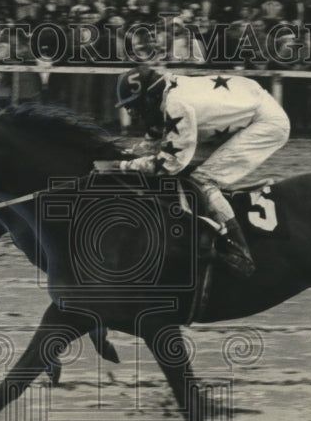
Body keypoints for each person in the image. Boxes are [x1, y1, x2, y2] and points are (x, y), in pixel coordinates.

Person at [110, 65, 291, 277]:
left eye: (133, 106)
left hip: (266, 122)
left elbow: (168, 164)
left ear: (149, 99)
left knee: (202, 179)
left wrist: (123, 166)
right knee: (190, 170)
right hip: (245, 106)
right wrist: (123, 156)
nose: (131, 113)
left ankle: (239, 250)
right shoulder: (164, 94)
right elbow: (150, 144)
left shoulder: (176, 105)